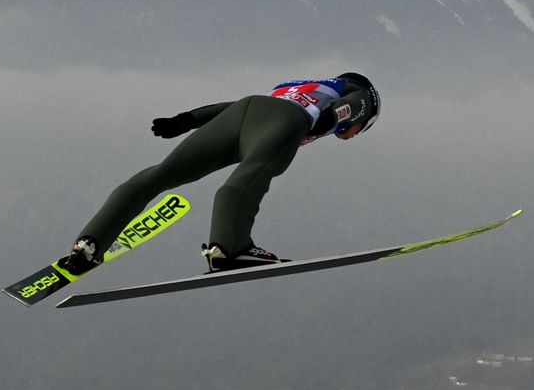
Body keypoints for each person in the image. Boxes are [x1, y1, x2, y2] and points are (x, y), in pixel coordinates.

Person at [57, 72, 381, 275]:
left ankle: (89, 244)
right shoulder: (355, 91)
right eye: (361, 131)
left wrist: (186, 120)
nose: (353, 136)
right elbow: (356, 104)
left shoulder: (300, 85)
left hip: (243, 112)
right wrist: (331, 118)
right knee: (250, 176)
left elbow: (236, 106)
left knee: (161, 174)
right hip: (287, 120)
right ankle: (230, 249)